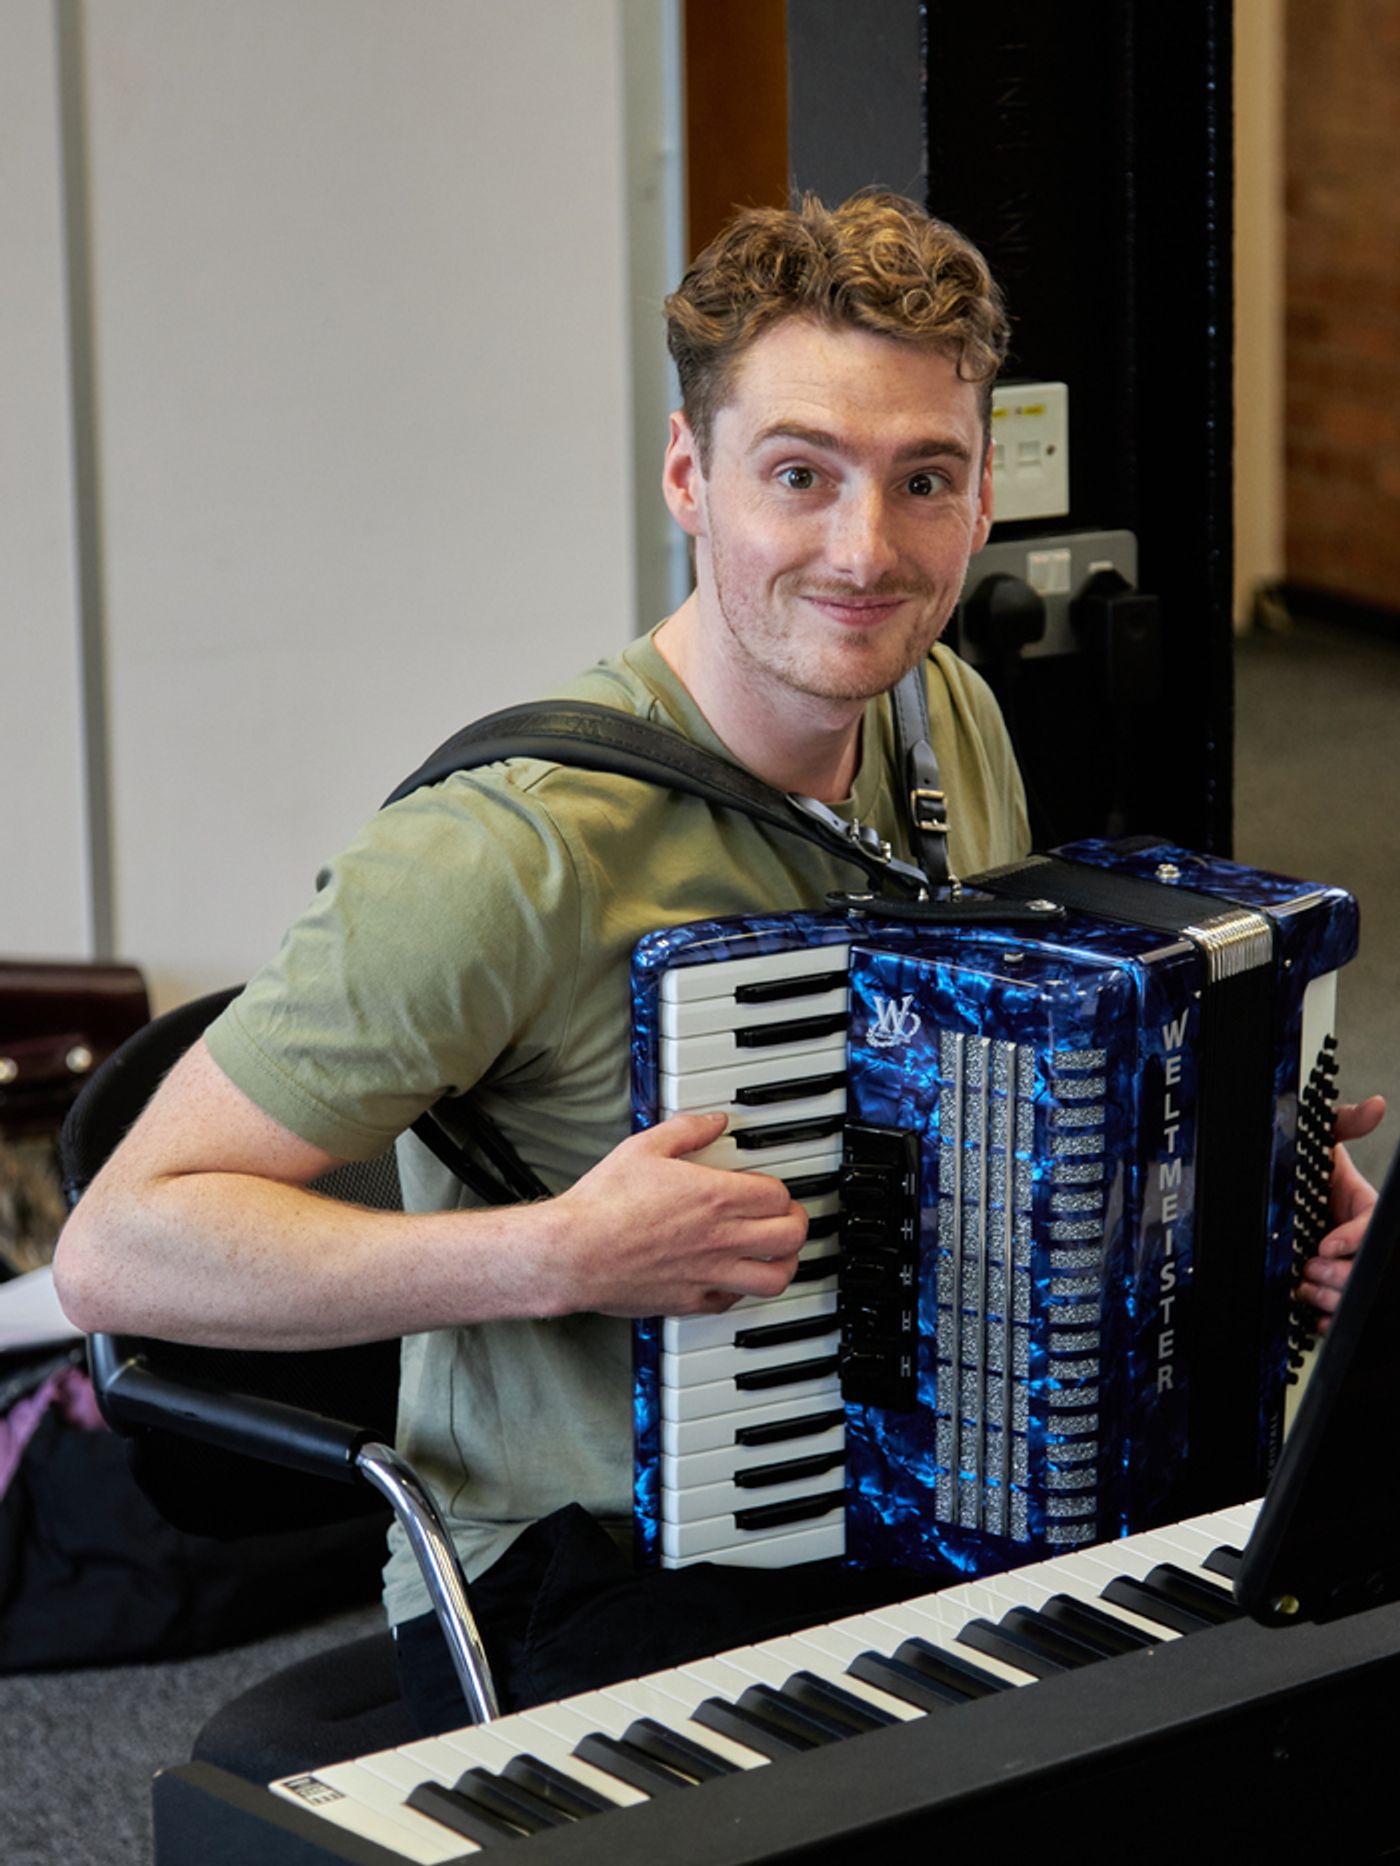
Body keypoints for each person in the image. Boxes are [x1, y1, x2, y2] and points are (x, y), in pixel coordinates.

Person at [53, 192, 1377, 1726]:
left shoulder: (946, 716)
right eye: (799, 475)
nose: (864, 550)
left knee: (1301, 1641)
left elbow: (983, 1121)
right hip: (592, 1563)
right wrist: (555, 1254)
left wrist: (1246, 1202)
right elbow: (120, 1247)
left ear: (979, 500)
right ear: (690, 475)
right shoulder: (504, 851)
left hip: (918, 1471)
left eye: (924, 479)